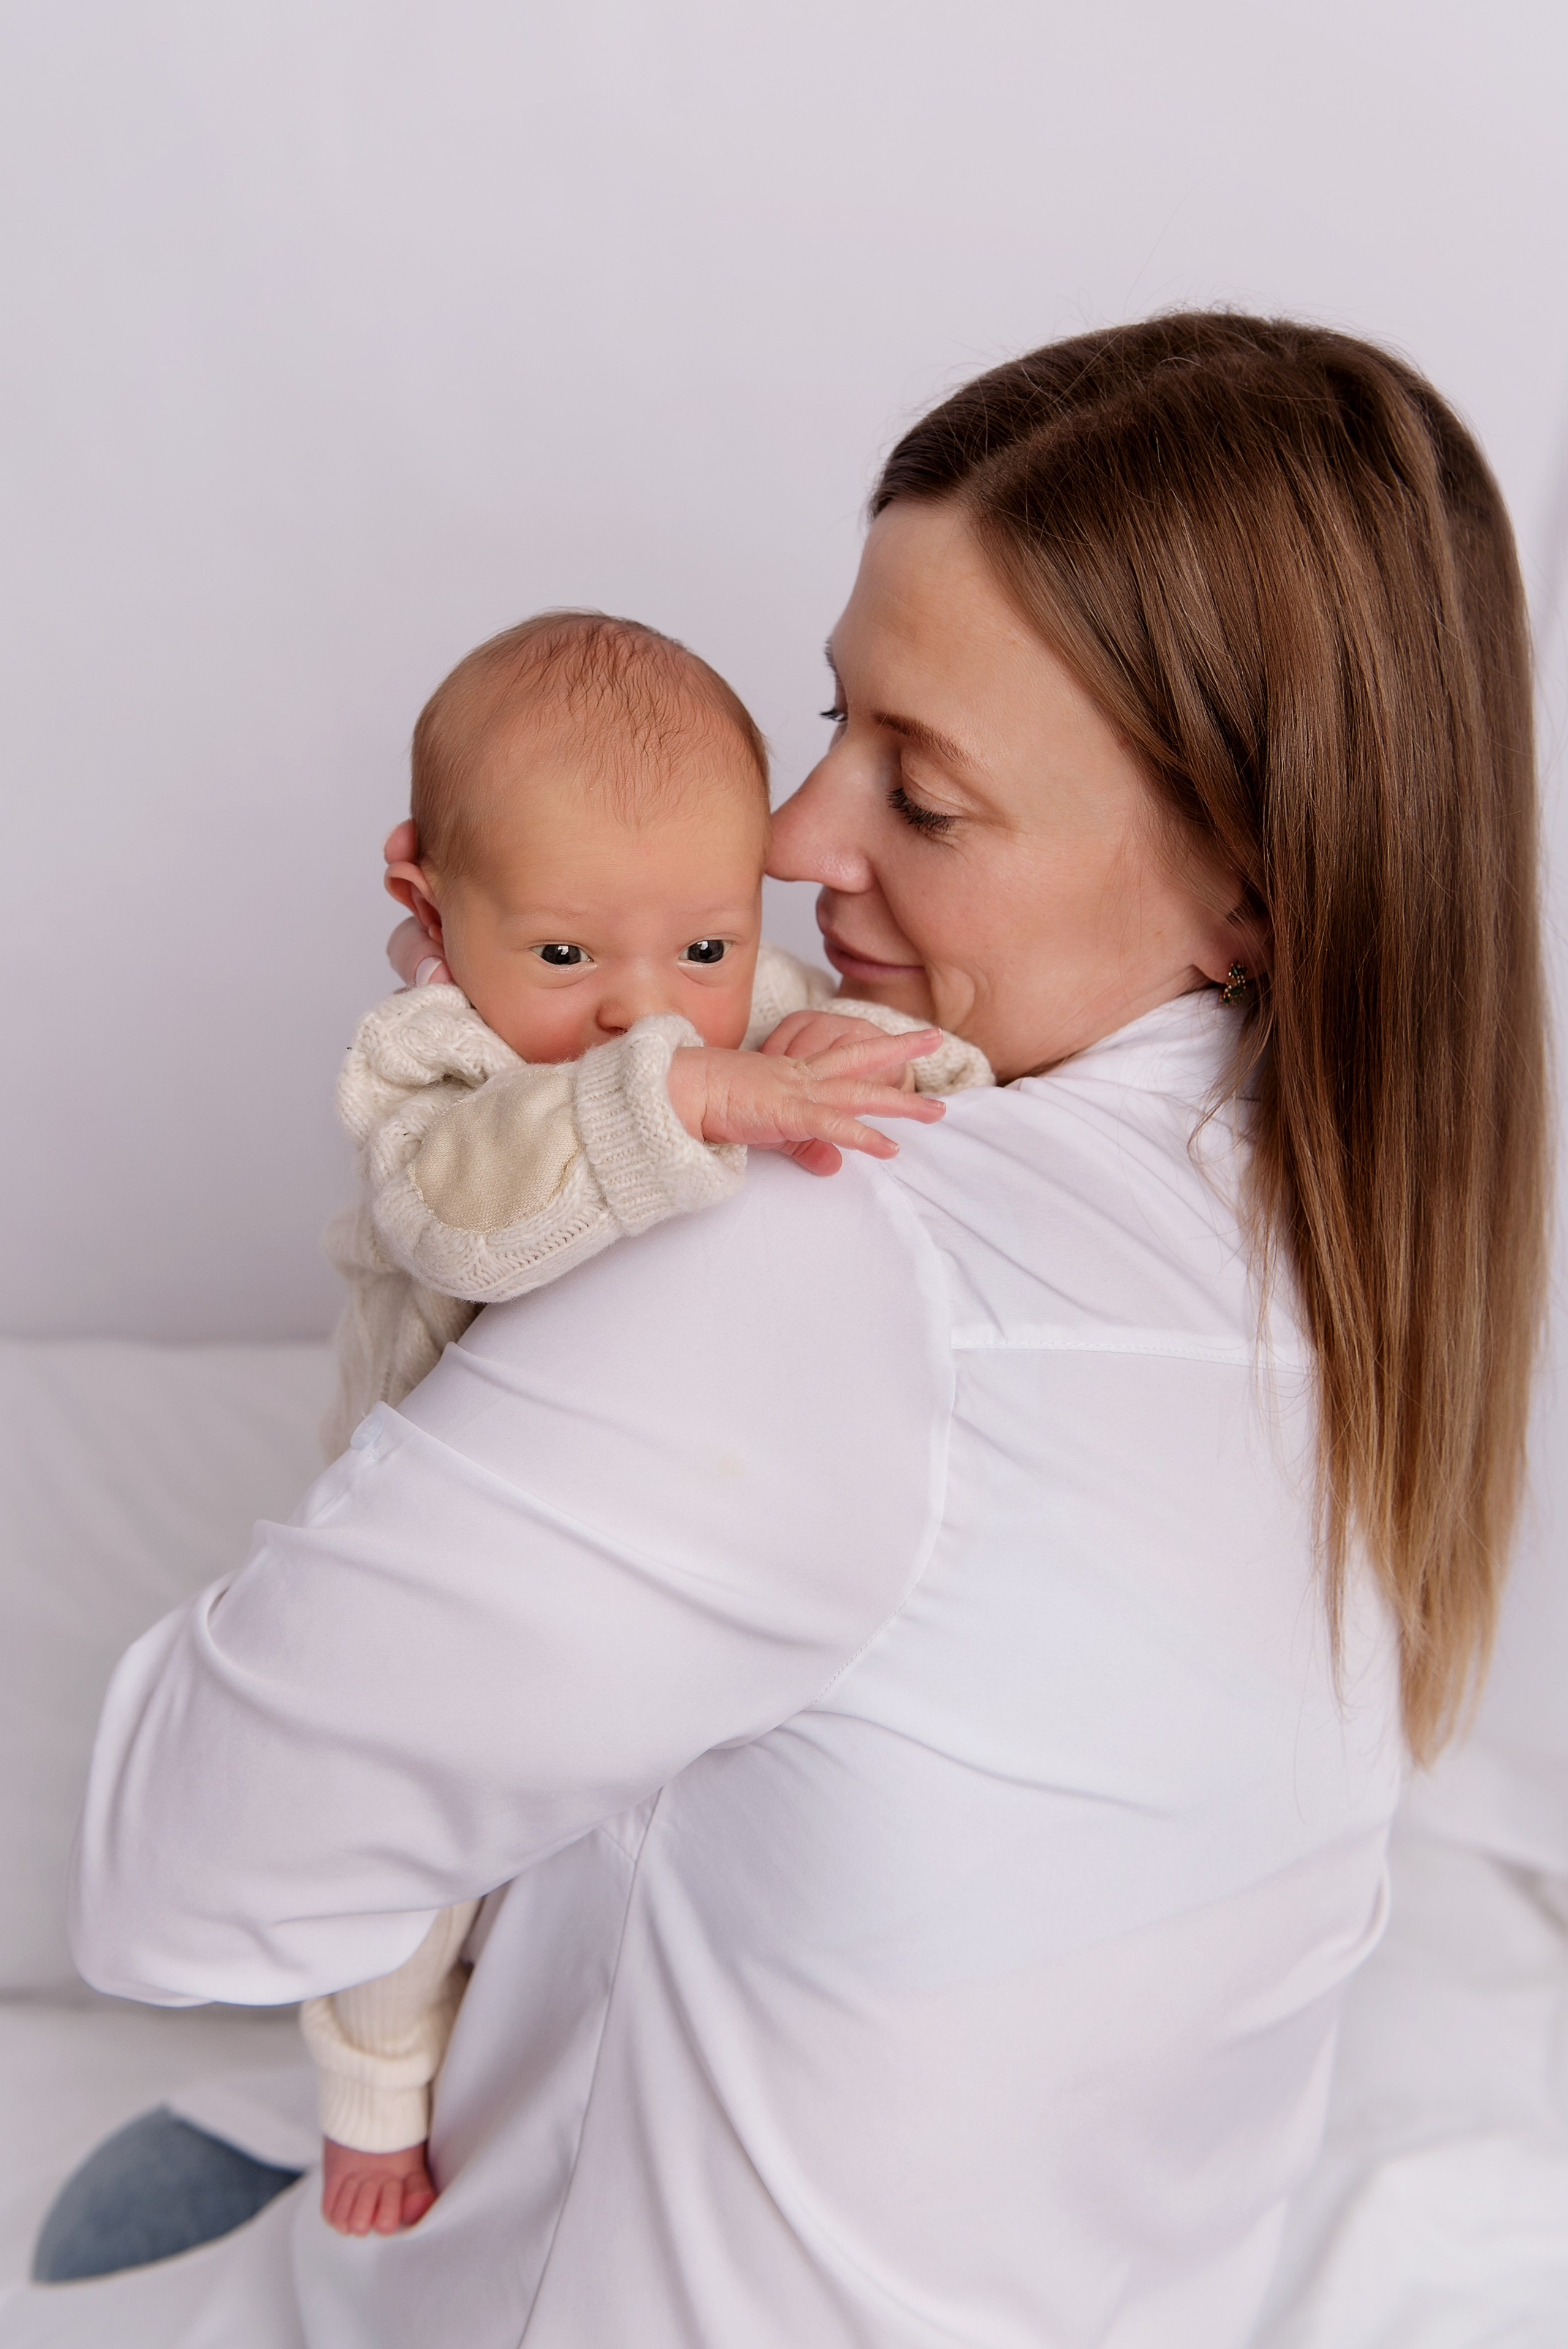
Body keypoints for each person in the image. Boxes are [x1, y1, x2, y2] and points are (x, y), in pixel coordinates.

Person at [53, 314, 1547, 2349]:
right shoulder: (1368, 1266)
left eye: (922, 797)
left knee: (122, 2206)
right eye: (830, 720)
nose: (783, 841)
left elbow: (169, 1872)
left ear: (1247, 900)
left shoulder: (836, 1250)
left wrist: (555, 1173)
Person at [304, 608, 986, 2238]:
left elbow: (928, 1083)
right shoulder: (431, 1062)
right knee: (397, 1844)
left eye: (704, 947)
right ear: (424, 897)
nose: (644, 1009)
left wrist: (867, 1050)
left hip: (666, 1548)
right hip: (438, 1565)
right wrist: (689, 1101)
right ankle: (369, 2095)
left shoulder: (751, 1005)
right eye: (565, 957)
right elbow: (469, 1219)